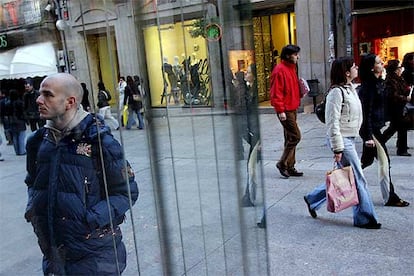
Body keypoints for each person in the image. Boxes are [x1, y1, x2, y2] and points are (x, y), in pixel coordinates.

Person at [24, 73, 139, 275]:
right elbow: (32, 181)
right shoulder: (38, 142)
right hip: (55, 253)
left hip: (95, 255)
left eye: (47, 94)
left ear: (70, 102)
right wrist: (33, 208)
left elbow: (127, 192)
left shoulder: (100, 142)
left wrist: (90, 219)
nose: (38, 100)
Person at [304, 57, 381, 229]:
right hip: (342, 140)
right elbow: (332, 123)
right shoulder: (336, 93)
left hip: (350, 138)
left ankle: (312, 198)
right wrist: (338, 147)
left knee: (344, 177)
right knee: (358, 178)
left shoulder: (351, 89)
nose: (356, 68)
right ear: (346, 72)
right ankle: (365, 217)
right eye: (353, 67)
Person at [358, 54, 409, 207]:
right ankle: (389, 197)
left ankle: (326, 190)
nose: (382, 64)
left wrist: (382, 79)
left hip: (375, 128)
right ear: (372, 67)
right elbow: (366, 114)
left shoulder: (377, 83)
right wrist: (367, 136)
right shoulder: (368, 87)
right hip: (371, 130)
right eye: (379, 62)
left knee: (363, 163)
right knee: (384, 163)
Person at [270, 44, 303, 178]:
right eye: (295, 55)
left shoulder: (291, 68)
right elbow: (276, 93)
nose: (297, 57)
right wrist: (280, 110)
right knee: (295, 136)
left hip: (292, 106)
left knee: (290, 137)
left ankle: (290, 166)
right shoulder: (279, 70)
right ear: (288, 55)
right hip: (286, 109)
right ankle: (283, 163)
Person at [383, 60, 411, 156]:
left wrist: (408, 90)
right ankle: (401, 149)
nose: (401, 69)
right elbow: (393, 95)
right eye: (399, 68)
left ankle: (379, 143)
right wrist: (405, 98)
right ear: (395, 70)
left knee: (395, 127)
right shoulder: (390, 80)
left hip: (400, 107)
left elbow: (403, 89)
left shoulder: (399, 79)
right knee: (399, 127)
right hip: (395, 108)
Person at [8, 89, 27, 155]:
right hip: (20, 120)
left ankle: (17, 151)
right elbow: (23, 112)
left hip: (11, 120)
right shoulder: (20, 102)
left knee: (15, 136)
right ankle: (22, 151)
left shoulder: (8, 103)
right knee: (21, 136)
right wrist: (26, 120)